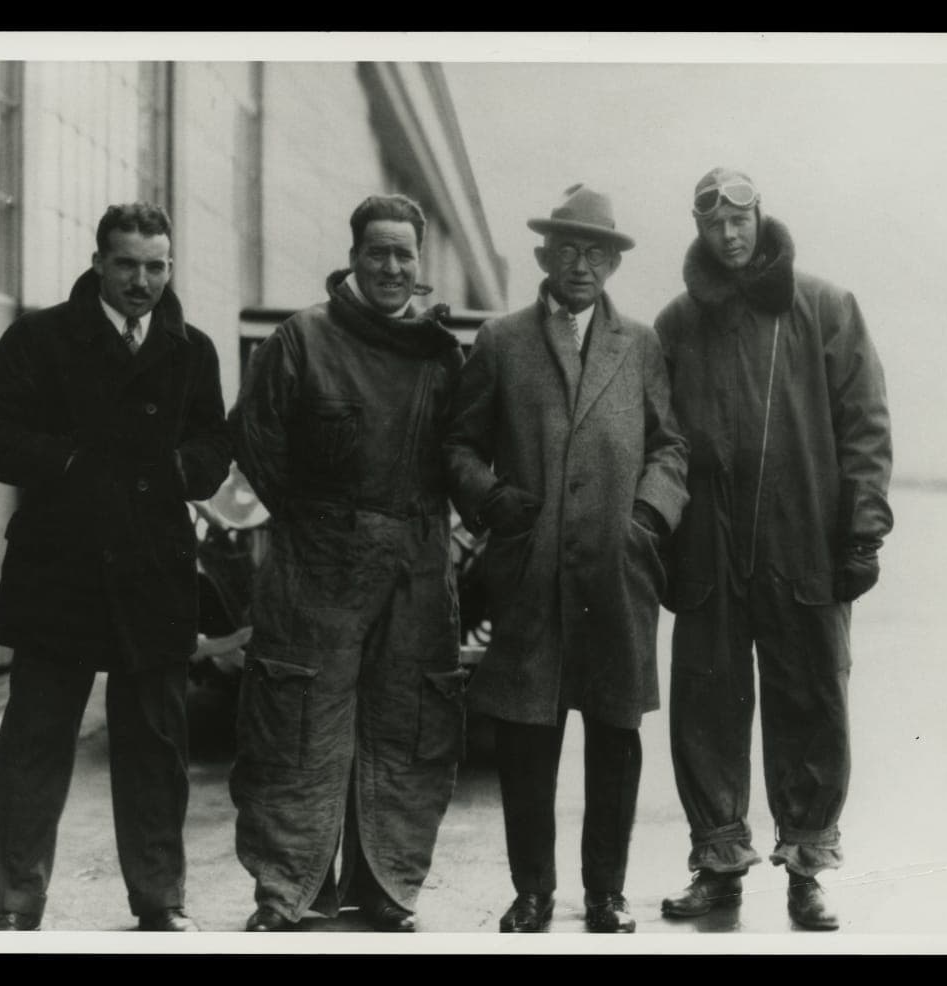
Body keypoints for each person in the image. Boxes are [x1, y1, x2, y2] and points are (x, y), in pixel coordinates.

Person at [0, 203, 232, 932]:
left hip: (153, 567)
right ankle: (14, 901)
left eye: (156, 266)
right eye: (127, 264)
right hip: (60, 565)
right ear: (99, 261)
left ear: (170, 266)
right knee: (35, 741)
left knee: (157, 747)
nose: (142, 281)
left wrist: (180, 470)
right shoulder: (41, 338)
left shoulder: (193, 351)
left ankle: (160, 898)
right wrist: (65, 462)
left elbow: (214, 445)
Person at [444, 184, 690, 933]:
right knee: (527, 736)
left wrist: (646, 517)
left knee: (614, 736)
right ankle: (533, 894)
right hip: (531, 569)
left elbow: (671, 447)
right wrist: (492, 501)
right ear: (543, 256)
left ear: (614, 264)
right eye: (569, 250)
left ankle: (607, 894)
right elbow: (458, 446)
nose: (582, 265)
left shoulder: (639, 344)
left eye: (597, 253)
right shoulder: (502, 341)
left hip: (616, 571)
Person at [654, 168, 894, 931]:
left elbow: (865, 426)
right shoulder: (677, 324)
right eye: (715, 222)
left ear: (760, 217)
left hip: (805, 547)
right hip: (709, 553)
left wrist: (863, 529)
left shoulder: (824, 307)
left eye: (741, 218)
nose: (730, 234)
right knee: (706, 708)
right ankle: (718, 866)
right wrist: (661, 538)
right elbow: (658, 438)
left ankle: (806, 869)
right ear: (700, 229)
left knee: (811, 704)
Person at [228, 193, 466, 933]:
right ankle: (288, 892)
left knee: (407, 726)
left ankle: (388, 888)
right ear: (354, 256)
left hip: (417, 569)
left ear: (419, 264)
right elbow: (256, 439)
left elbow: (464, 453)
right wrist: (323, 525)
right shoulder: (301, 339)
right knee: (296, 724)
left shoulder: (440, 354)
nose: (391, 267)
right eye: (378, 252)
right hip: (316, 568)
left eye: (404, 254)